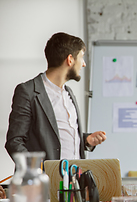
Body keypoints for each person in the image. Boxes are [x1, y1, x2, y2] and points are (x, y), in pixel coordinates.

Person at [5, 32, 106, 161]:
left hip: (73, 179)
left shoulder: (69, 93)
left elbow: (59, 137)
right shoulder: (28, 91)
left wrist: (86, 140)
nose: (84, 64)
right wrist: (38, 170)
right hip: (44, 180)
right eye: (81, 57)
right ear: (70, 60)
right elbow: (15, 142)